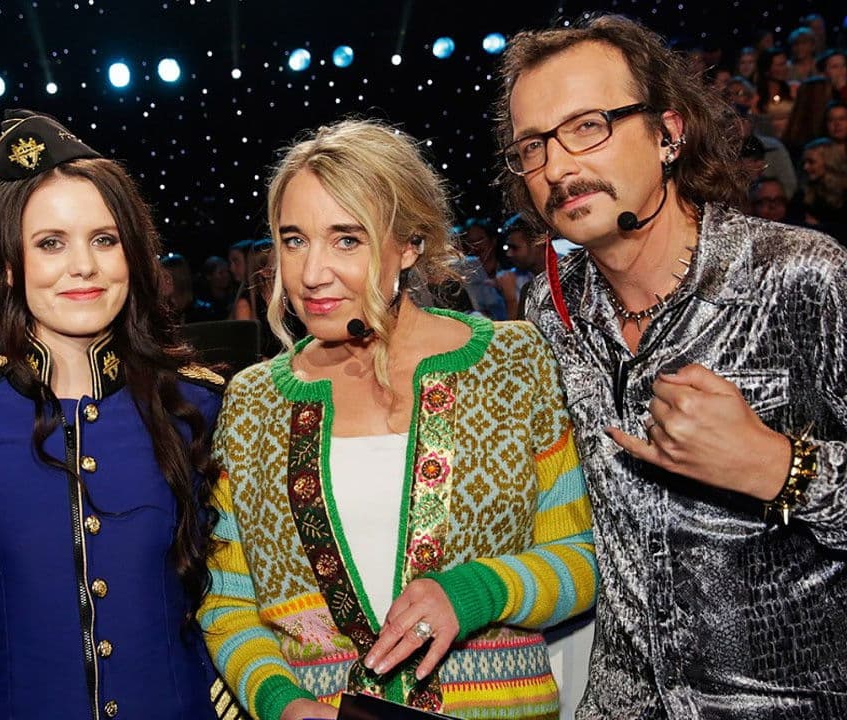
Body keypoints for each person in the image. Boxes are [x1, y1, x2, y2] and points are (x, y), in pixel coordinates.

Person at [498, 13, 847, 717]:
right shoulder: (548, 313)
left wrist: (780, 467)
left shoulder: (801, 278)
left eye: (589, 126)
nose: (558, 167)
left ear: (668, 132)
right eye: (534, 146)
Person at [200, 118, 595, 720]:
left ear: (408, 244)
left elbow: (578, 556)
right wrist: (283, 704)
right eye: (294, 240)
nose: (311, 273)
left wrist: (475, 592)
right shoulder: (254, 402)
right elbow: (228, 603)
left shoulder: (511, 363)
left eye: (347, 239)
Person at [0, 110, 236, 719]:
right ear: (11, 266)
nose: (83, 265)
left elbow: (244, 593)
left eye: (104, 240)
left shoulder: (201, 406)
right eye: (50, 243)